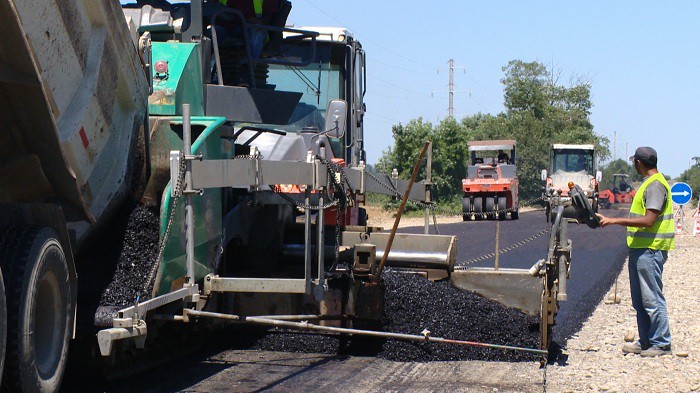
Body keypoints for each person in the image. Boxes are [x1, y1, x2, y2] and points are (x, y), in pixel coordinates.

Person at [596, 146, 674, 357]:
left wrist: (614, 220)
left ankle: (661, 343)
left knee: (652, 297)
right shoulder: (649, 183)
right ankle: (646, 341)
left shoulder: (656, 185)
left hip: (651, 250)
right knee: (639, 300)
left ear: (639, 163)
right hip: (640, 249)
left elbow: (649, 220)